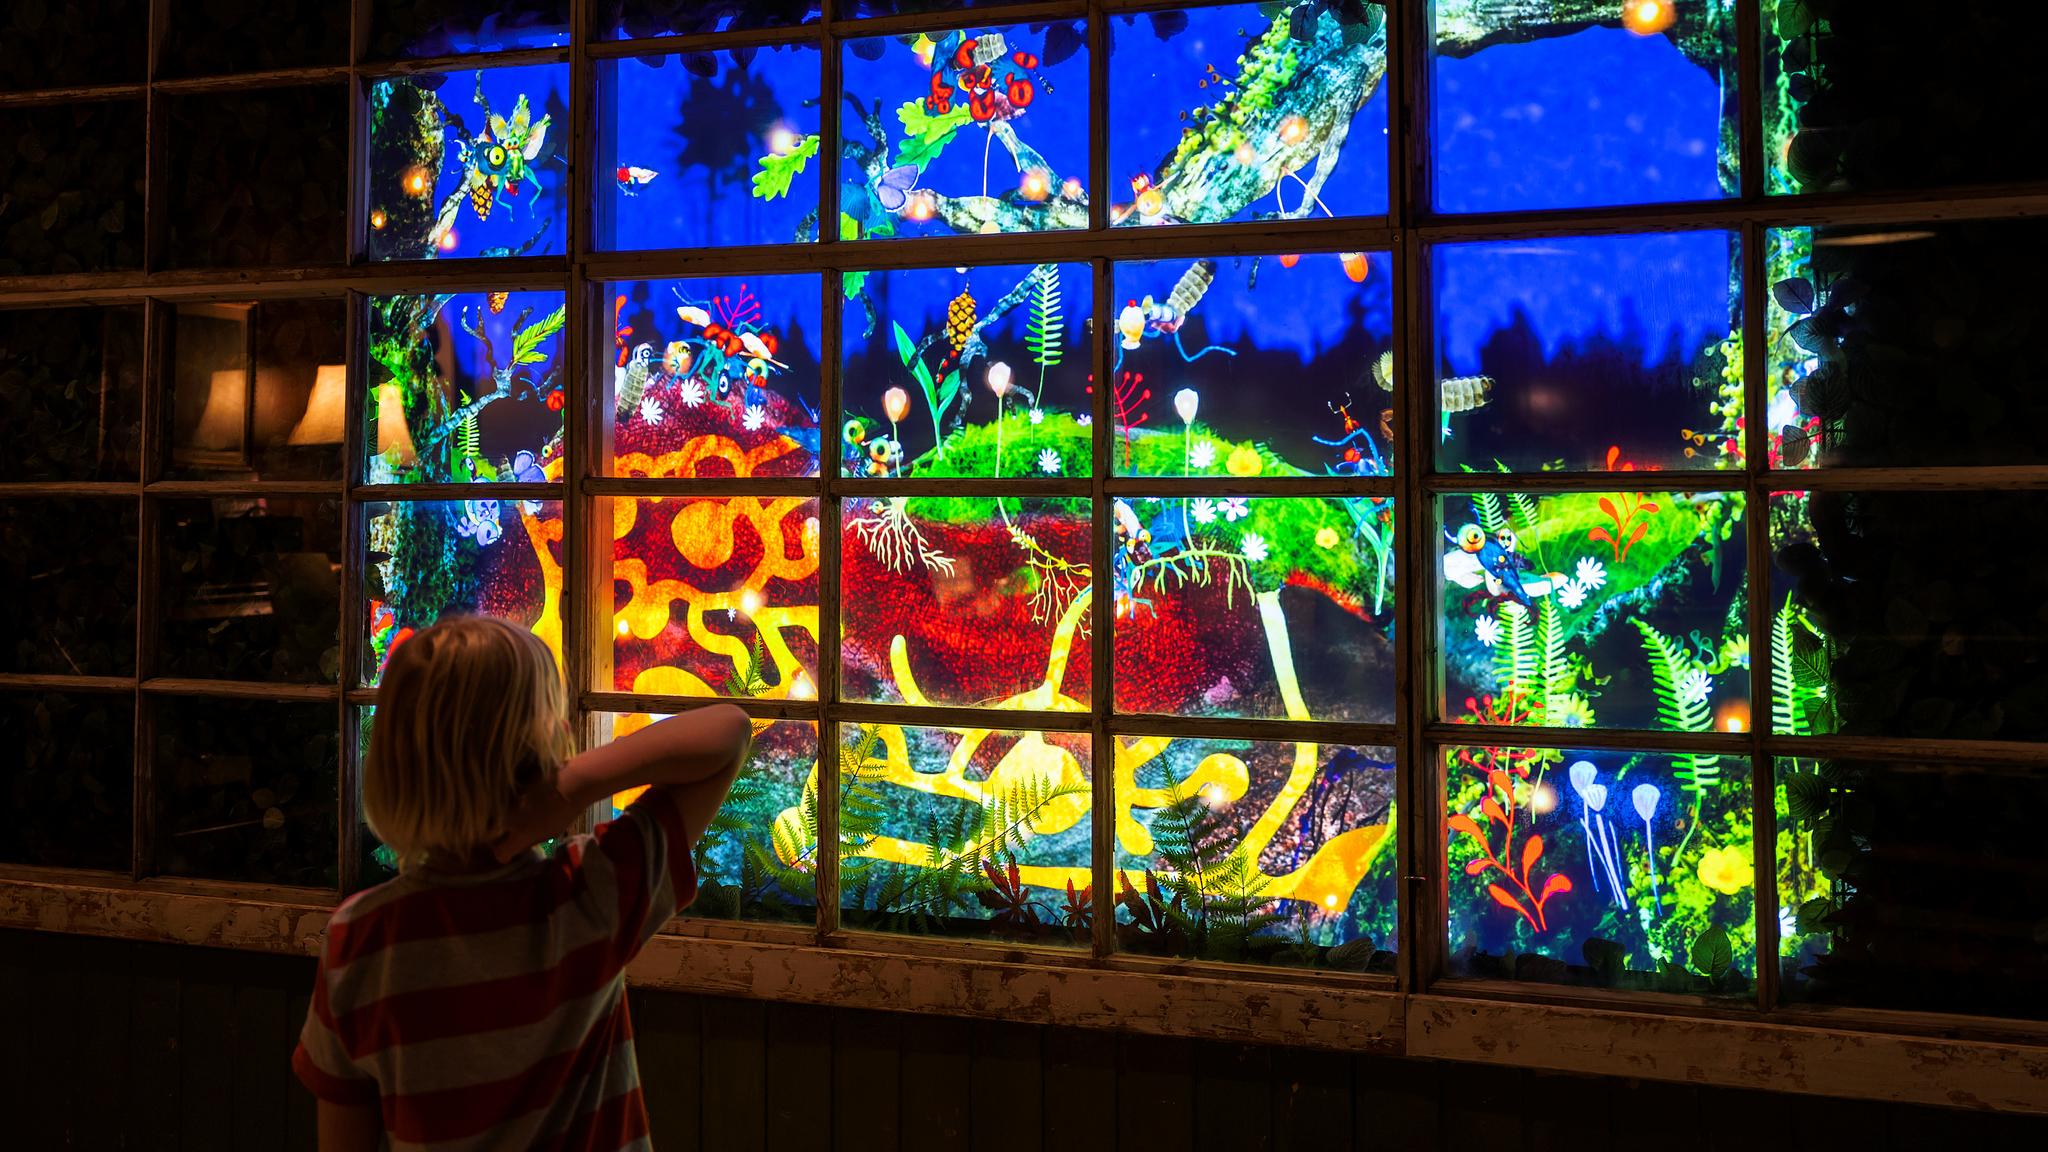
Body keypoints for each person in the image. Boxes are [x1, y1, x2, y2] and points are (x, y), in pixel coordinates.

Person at [292, 615, 750, 1151]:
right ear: (545, 752)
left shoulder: (360, 940)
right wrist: (574, 786)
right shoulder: (585, 896)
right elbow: (730, 730)